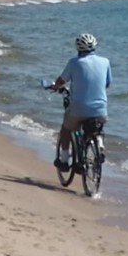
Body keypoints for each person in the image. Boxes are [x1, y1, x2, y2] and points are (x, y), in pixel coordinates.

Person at [50, 32, 112, 170]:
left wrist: (54, 86)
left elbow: (61, 81)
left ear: (78, 48)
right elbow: (107, 83)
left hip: (79, 108)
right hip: (100, 108)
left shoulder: (74, 63)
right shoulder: (105, 62)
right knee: (98, 127)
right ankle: (99, 146)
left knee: (66, 130)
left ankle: (64, 161)